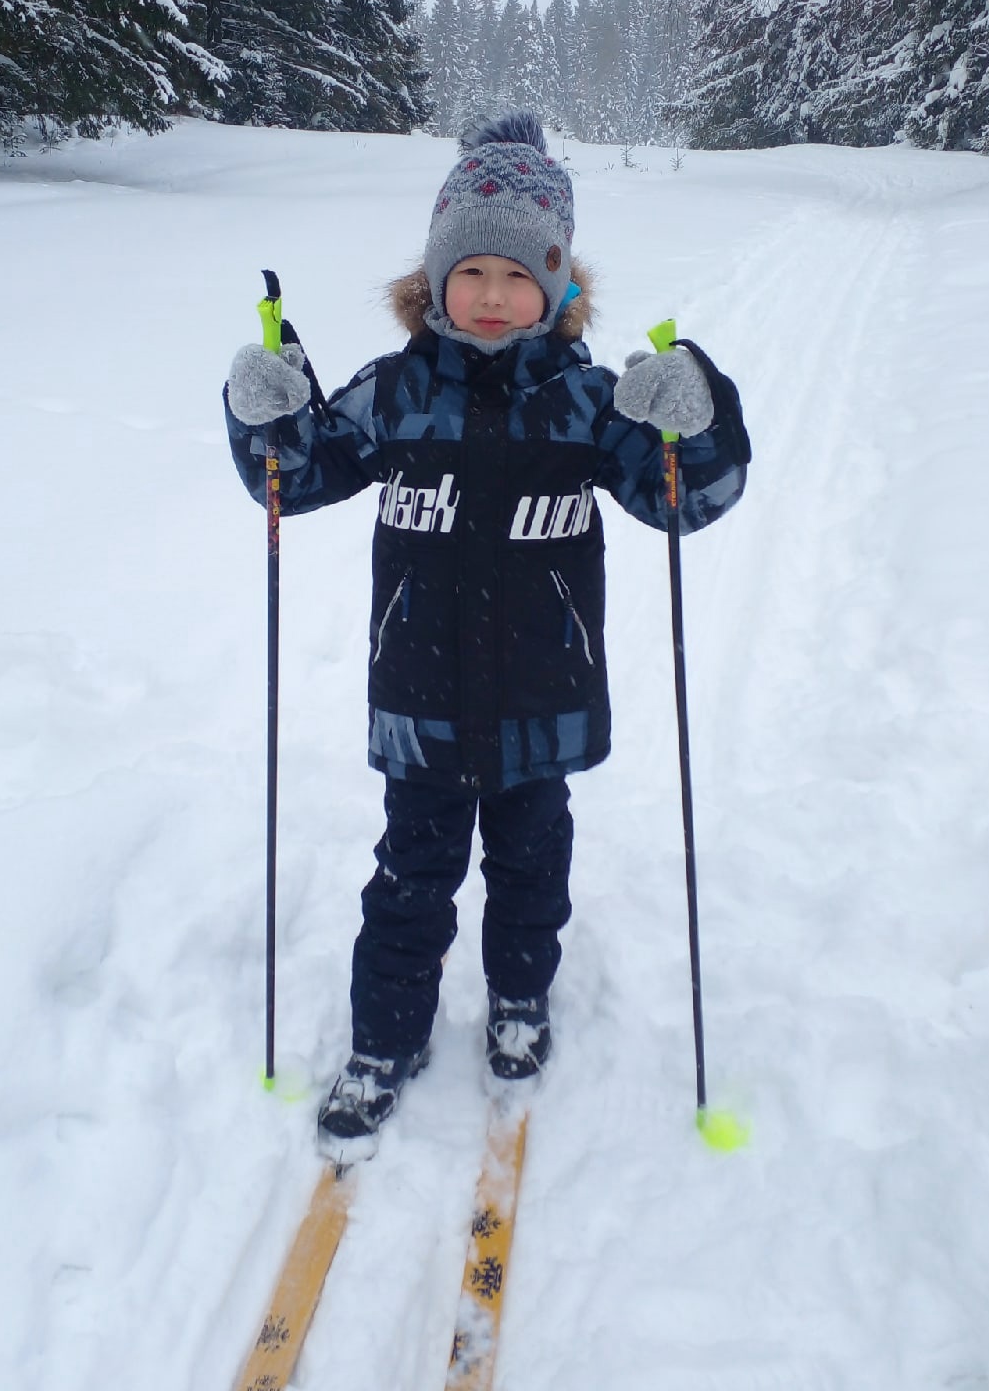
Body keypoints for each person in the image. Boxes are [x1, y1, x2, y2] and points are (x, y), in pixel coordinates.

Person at [225, 111, 750, 1162]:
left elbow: (689, 497)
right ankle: (384, 1040)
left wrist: (697, 415)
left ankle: (519, 998)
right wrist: (267, 413)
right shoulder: (395, 393)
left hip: (540, 702)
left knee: (530, 868)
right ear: (434, 280)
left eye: (520, 274)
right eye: (473, 272)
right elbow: (292, 475)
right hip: (418, 700)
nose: (496, 296)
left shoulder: (587, 402)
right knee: (409, 877)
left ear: (558, 285)